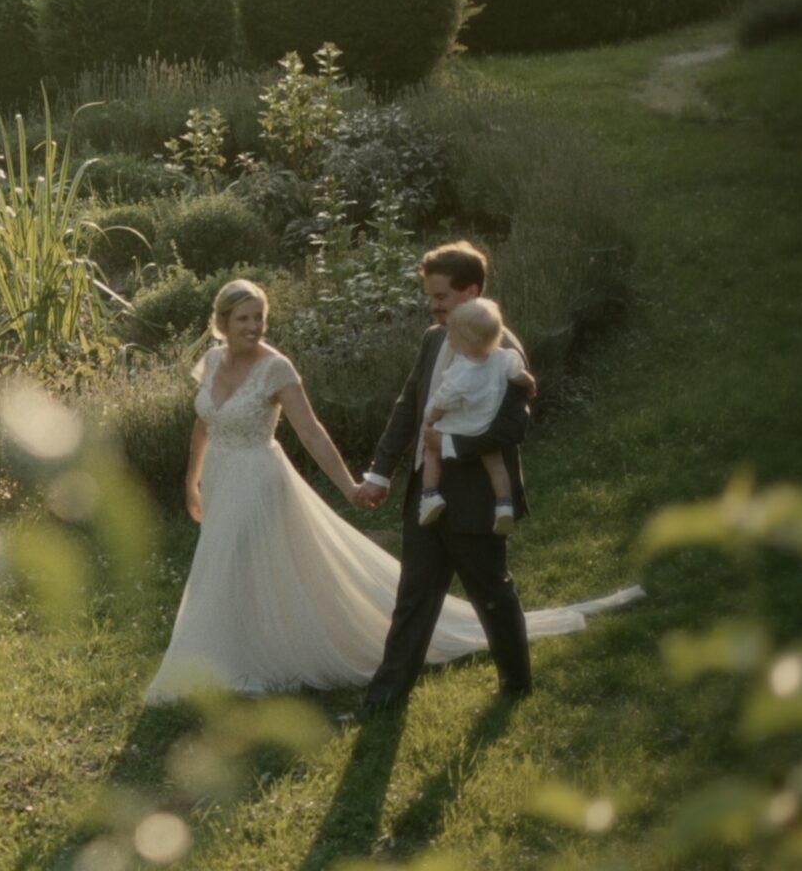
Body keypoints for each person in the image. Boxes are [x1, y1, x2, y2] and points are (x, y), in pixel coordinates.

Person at [143, 272, 642, 707]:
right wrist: (192, 479)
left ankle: (256, 656)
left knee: (242, 560)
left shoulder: (277, 368)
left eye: (260, 318)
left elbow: (312, 433)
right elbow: (202, 424)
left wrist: (352, 488)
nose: (253, 328)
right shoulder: (211, 362)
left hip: (259, 478)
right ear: (222, 323)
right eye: (244, 320)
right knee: (220, 564)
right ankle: (225, 651)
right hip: (222, 478)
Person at [343, 241, 641, 721]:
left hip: (475, 498)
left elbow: (513, 427)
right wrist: (380, 471)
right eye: (430, 296)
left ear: (472, 291)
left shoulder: (502, 350)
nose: (433, 306)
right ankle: (381, 704)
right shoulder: (433, 339)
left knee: (491, 594)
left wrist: (452, 448)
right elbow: (409, 405)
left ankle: (517, 687)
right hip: (426, 492)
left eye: (441, 296)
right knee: (414, 597)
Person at [418, 297, 526, 535]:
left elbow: (445, 399)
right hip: (486, 424)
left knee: (432, 450)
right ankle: (504, 505)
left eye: (454, 335)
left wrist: (431, 417)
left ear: (465, 340)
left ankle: (430, 496)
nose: (451, 338)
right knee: (496, 464)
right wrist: (530, 384)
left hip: (461, 426)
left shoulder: (462, 371)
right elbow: (519, 374)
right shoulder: (502, 357)